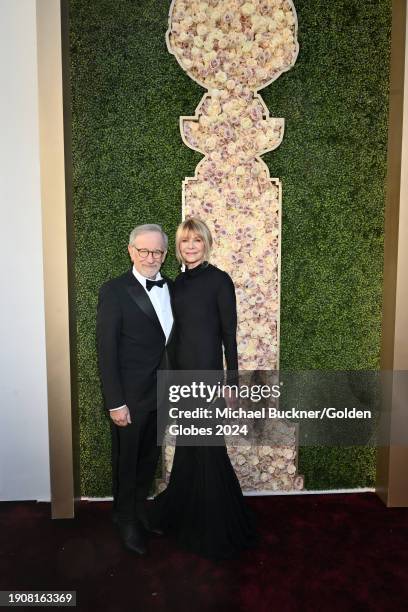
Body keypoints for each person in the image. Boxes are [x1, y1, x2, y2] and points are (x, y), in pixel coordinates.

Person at [149, 217, 257, 559]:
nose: (190, 246)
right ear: (177, 248)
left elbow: (229, 336)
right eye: (184, 241)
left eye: (196, 240)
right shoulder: (174, 285)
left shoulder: (220, 281)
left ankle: (216, 522)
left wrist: (232, 384)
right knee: (189, 448)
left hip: (209, 379)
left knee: (208, 449)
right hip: (182, 379)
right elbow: (170, 337)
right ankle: (186, 513)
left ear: (206, 243)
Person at [96, 224, 175, 555]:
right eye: (144, 250)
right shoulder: (114, 291)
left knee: (148, 459)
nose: (150, 257)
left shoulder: (172, 287)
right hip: (129, 397)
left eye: (157, 251)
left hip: (163, 393)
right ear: (131, 251)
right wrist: (115, 402)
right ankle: (125, 519)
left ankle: (138, 511)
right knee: (126, 462)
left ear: (165, 255)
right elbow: (106, 349)